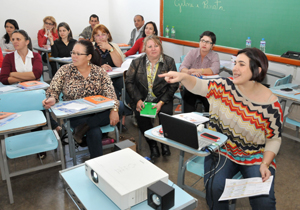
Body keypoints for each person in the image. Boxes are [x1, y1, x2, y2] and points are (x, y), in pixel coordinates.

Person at [159, 48, 283, 210]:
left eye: (241, 64)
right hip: (222, 150)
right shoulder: (224, 86)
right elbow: (199, 86)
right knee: (215, 189)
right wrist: (183, 77)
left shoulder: (271, 104)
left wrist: (265, 164)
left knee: (265, 201)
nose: (235, 68)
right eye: (235, 63)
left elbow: (274, 138)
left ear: (257, 70)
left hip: (255, 156)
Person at [43, 40, 123, 159]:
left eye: (78, 54)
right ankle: (97, 165)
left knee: (120, 106)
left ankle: (82, 129)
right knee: (94, 132)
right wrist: (52, 99)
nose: (73, 56)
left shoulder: (99, 72)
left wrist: (114, 110)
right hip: (76, 115)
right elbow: (53, 90)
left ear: (89, 57)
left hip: (97, 112)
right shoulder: (65, 70)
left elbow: (111, 95)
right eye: (73, 53)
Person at [0, 30, 61, 159]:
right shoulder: (9, 57)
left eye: (18, 39)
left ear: (27, 42)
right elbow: (4, 79)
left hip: (32, 93)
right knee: (37, 105)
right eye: (13, 39)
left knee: (37, 103)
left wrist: (13, 74)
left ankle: (40, 143)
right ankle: (54, 127)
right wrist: (25, 78)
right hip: (15, 94)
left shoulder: (35, 56)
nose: (14, 41)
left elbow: (36, 74)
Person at [125, 35, 179, 160]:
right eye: (150, 46)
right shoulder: (137, 62)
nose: (153, 49)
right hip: (143, 98)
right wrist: (138, 100)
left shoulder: (169, 62)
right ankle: (152, 145)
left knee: (165, 115)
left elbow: (174, 84)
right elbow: (129, 82)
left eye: (156, 45)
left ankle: (165, 144)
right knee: (140, 115)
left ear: (160, 47)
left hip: (162, 98)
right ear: (145, 49)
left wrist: (161, 102)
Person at [90, 24, 129, 131]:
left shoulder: (113, 46)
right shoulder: (91, 48)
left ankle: (124, 116)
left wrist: (110, 49)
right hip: (99, 80)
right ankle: (116, 118)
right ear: (94, 37)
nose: (101, 37)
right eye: (97, 35)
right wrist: (100, 67)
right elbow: (86, 66)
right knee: (112, 90)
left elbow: (119, 64)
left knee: (127, 86)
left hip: (115, 77)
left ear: (108, 35)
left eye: (103, 34)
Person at [179, 31, 220, 113]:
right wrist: (190, 72)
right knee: (188, 100)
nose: (204, 44)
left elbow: (215, 69)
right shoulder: (192, 52)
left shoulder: (214, 55)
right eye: (202, 41)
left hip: (206, 87)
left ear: (213, 45)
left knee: (211, 105)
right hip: (191, 85)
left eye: (207, 42)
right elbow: (182, 67)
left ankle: (208, 123)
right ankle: (189, 122)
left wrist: (198, 71)